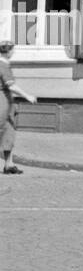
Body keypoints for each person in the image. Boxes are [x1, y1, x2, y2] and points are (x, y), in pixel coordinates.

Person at [0, 39, 36, 174]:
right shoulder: (2, 65)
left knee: (9, 132)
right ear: (8, 51)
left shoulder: (5, 64)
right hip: (1, 104)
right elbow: (11, 85)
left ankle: (9, 165)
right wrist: (27, 96)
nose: (14, 52)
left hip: (6, 103)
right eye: (12, 49)